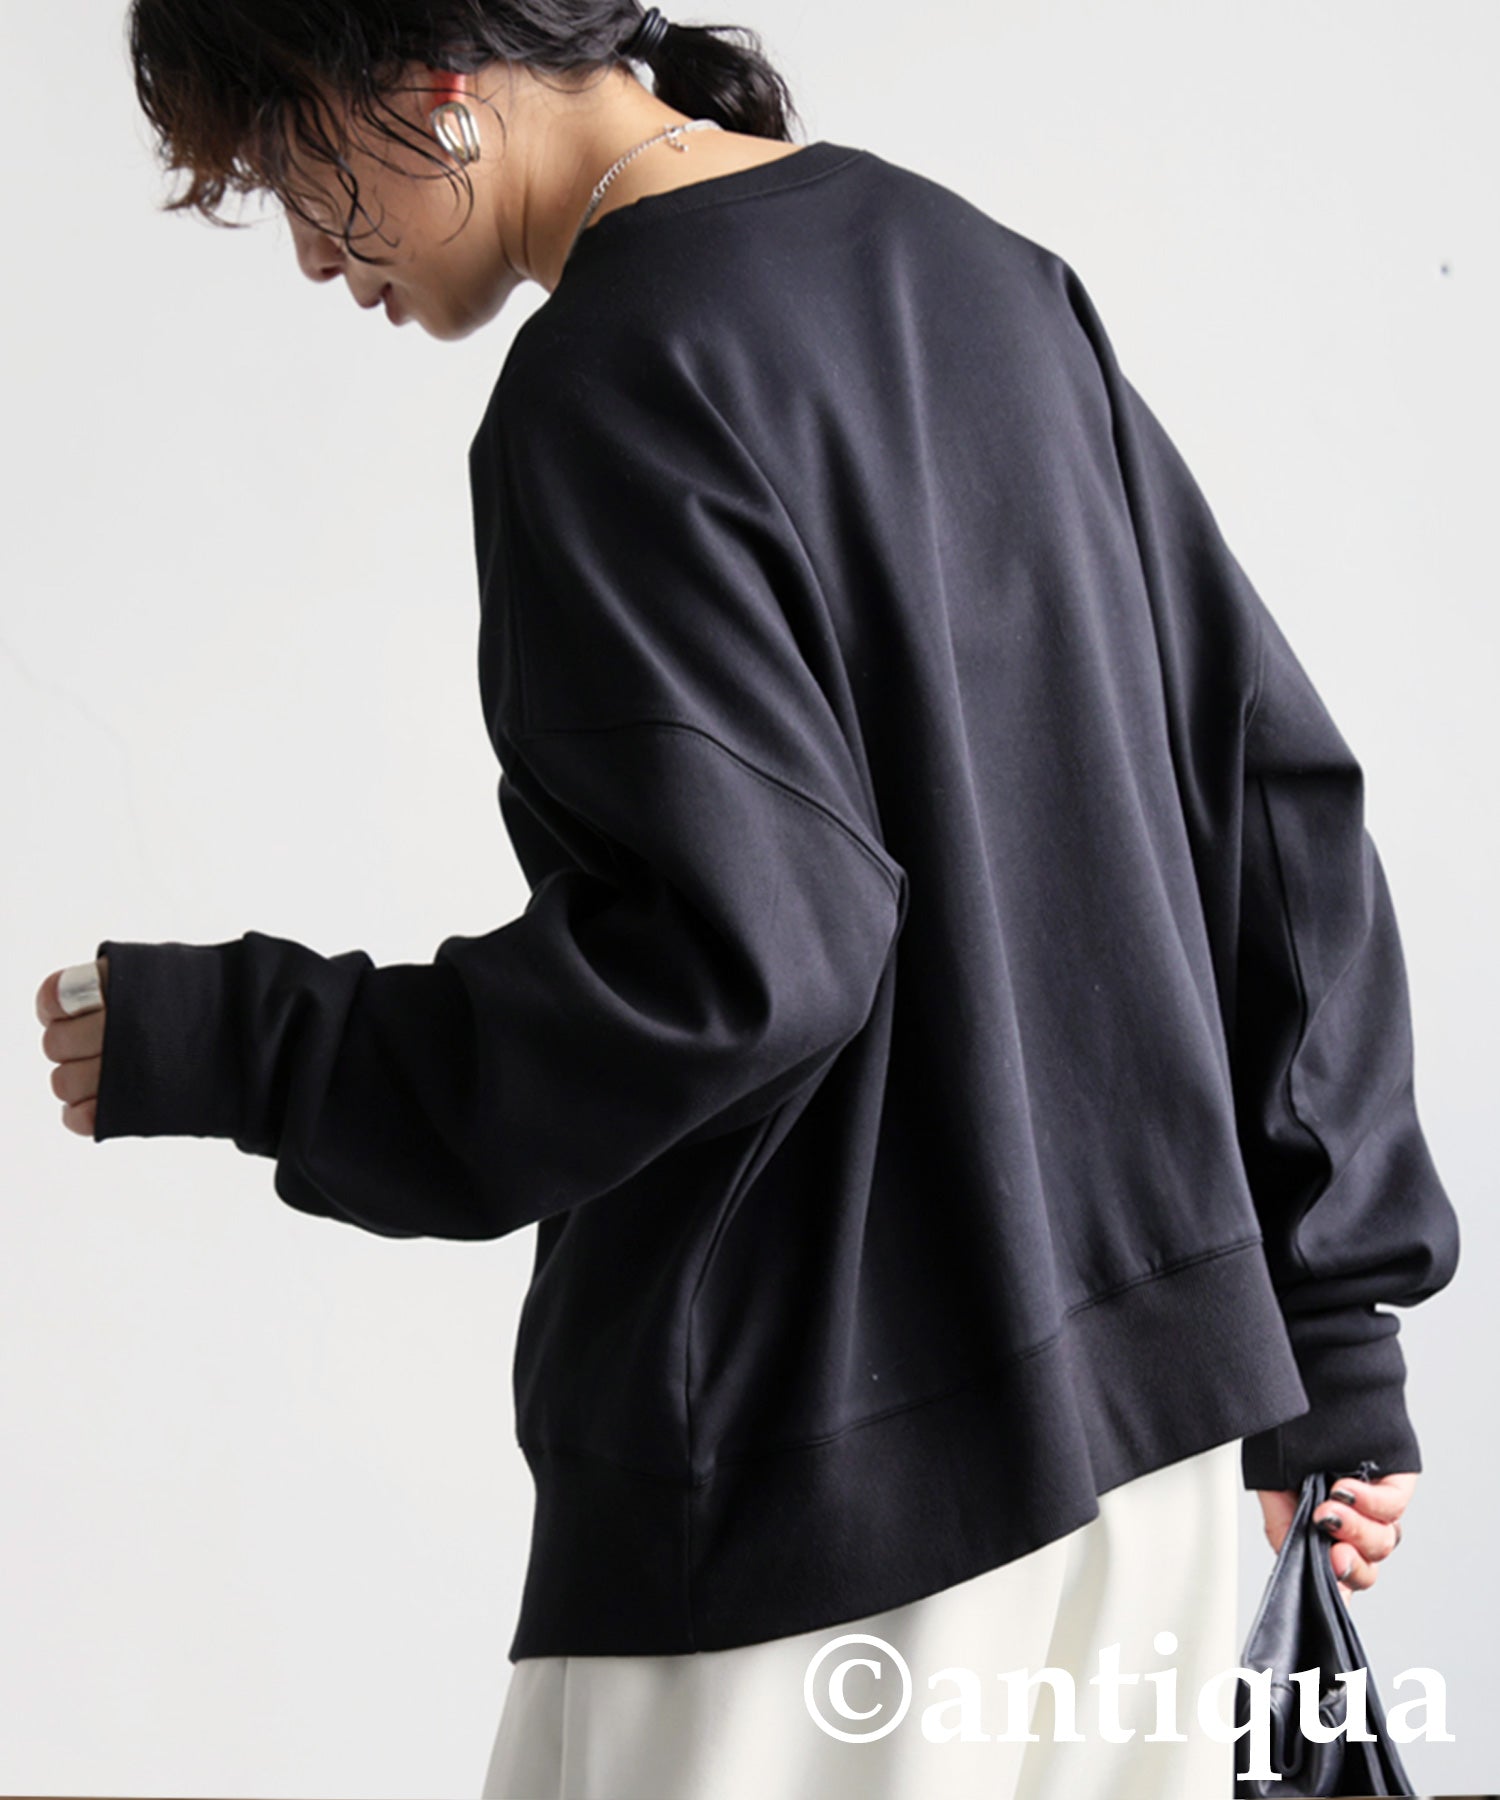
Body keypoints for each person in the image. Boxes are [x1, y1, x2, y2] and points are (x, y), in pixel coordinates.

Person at [36, 3, 1461, 1796]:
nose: (318, 254)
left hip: (816, 1513)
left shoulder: (608, 377)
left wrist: (245, 1044)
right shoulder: (981, 271)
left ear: (430, 86)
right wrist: (1335, 1331)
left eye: (293, 172)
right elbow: (1267, 795)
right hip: (1152, 1479)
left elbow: (733, 966)